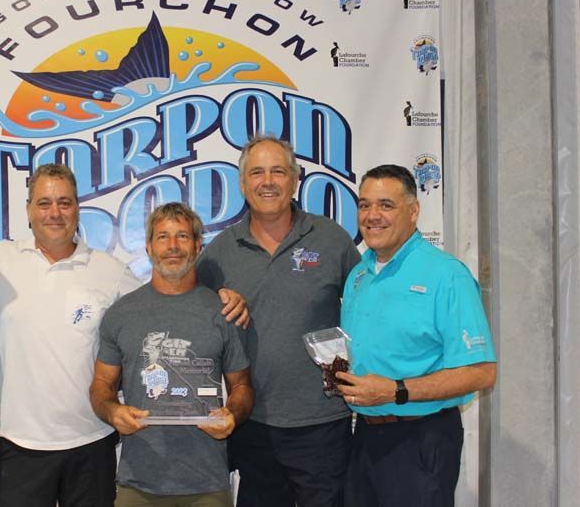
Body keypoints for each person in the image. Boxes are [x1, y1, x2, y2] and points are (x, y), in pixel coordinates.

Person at [0, 165, 249, 506]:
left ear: (78, 208)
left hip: (92, 444)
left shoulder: (110, 271)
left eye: (65, 202)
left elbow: (166, 297)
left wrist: (220, 292)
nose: (55, 212)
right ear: (28, 211)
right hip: (16, 446)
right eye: (44, 203)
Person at [197, 135, 361, 507]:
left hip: (322, 421)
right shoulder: (220, 251)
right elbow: (186, 308)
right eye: (256, 172)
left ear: (295, 179)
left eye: (278, 171)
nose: (267, 181)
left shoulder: (332, 239)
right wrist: (215, 298)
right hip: (253, 422)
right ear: (242, 183)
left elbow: (367, 308)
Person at [335, 164, 497, 507]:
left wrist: (396, 391)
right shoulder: (358, 276)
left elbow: (481, 371)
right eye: (364, 205)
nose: (372, 215)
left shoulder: (446, 275)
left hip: (422, 438)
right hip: (364, 436)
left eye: (386, 205)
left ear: (413, 211)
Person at [90, 203, 253, 506]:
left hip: (207, 483)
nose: (173, 246)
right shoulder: (121, 314)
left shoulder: (223, 312)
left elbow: (242, 386)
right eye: (163, 237)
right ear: (149, 247)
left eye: (182, 236)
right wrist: (113, 411)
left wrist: (233, 414)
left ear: (197, 245)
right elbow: (101, 384)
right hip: (138, 483)